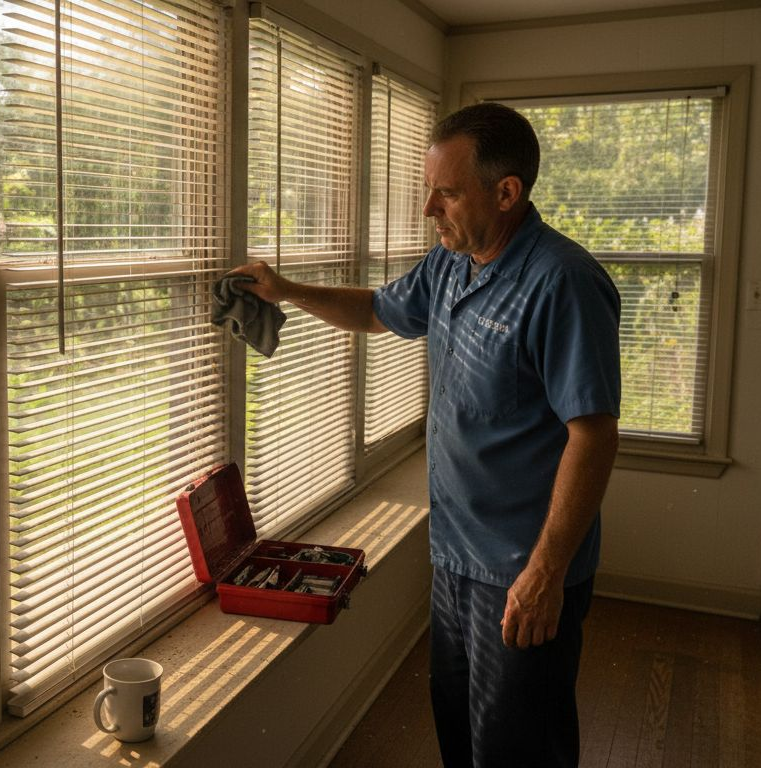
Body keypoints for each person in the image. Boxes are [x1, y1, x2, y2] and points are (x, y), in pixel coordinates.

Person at [230, 102, 620, 767]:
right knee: (460, 730)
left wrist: (546, 571)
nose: (427, 208)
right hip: (456, 556)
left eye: (446, 191)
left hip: (523, 568)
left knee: (519, 746)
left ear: (506, 193)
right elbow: (379, 311)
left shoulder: (562, 282)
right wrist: (287, 290)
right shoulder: (449, 266)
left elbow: (594, 434)